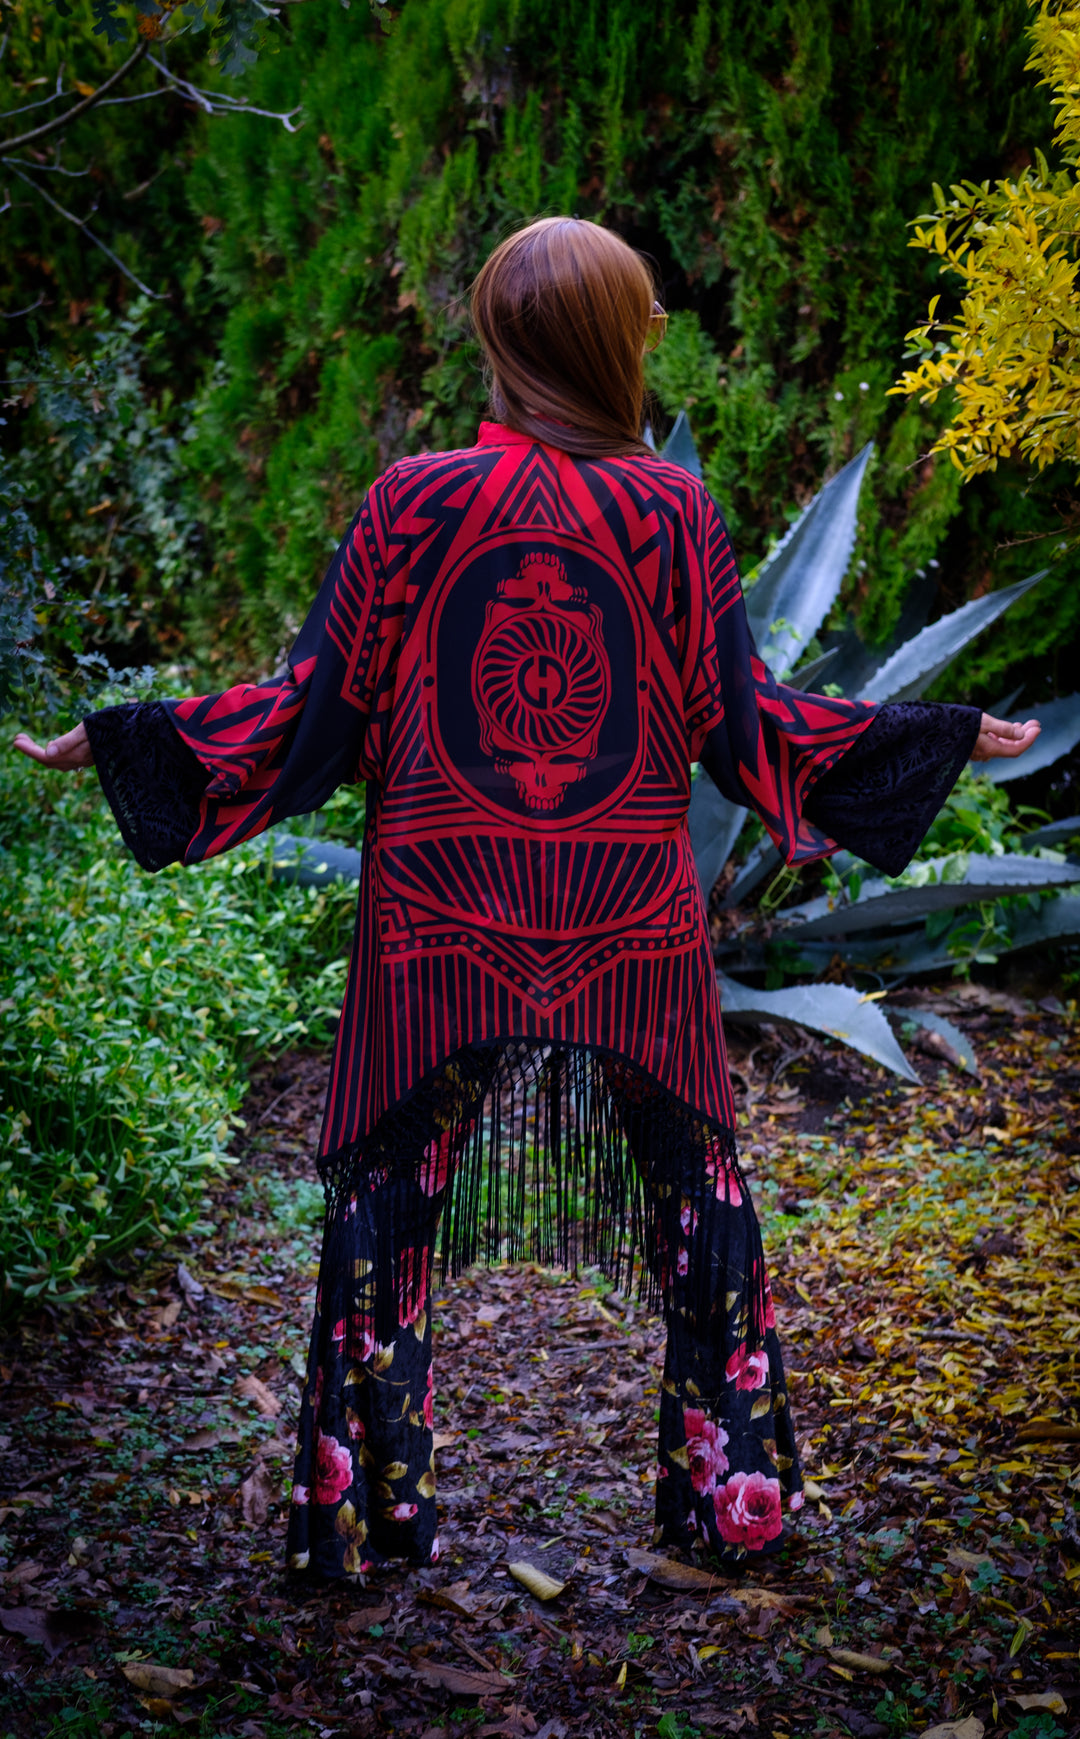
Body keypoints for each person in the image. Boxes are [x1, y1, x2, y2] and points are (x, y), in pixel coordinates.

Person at [14, 217, 1039, 1581]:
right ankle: (731, 1504)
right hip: (625, 921)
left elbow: (313, 720)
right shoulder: (671, 512)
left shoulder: (413, 502)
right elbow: (746, 729)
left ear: (500, 341)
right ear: (619, 344)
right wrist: (927, 733)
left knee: (385, 1189)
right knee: (701, 1192)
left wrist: (142, 737)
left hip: (441, 918)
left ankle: (363, 1517)